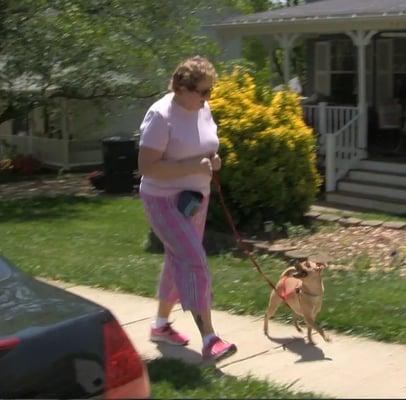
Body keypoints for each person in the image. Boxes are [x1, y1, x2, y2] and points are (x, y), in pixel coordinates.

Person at [137, 56, 237, 361]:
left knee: (176, 260)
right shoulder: (161, 115)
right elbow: (147, 167)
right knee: (194, 261)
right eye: (203, 91)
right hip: (163, 200)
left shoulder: (203, 109)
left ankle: (160, 325)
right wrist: (192, 165)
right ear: (181, 87)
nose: (208, 98)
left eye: (210, 92)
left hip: (195, 199)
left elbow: (206, 147)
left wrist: (213, 162)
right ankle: (209, 337)